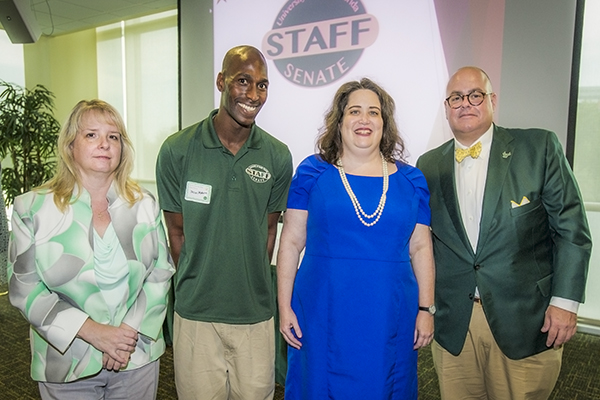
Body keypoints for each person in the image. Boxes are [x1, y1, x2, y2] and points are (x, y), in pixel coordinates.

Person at [416, 66, 592, 399]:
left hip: (526, 319)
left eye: (475, 95)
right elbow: (423, 242)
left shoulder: (537, 147)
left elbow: (571, 230)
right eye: (456, 97)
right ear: (446, 107)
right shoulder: (427, 165)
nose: (465, 103)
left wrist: (565, 303)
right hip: (455, 325)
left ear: (492, 100)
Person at [277, 78, 435, 399]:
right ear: (339, 121)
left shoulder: (411, 181)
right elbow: (291, 243)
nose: (364, 119)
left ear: (384, 123)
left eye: (373, 112)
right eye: (354, 111)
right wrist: (284, 306)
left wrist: (425, 310)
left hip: (390, 313)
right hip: (322, 309)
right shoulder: (312, 173)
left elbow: (420, 247)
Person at [7, 99, 175, 399]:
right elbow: (24, 288)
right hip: (67, 357)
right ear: (70, 145)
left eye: (113, 136)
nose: (105, 144)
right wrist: (95, 333)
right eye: (91, 135)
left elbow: (161, 272)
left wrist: (124, 335)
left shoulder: (144, 203)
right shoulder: (31, 208)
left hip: (135, 352)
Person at [156, 45, 293, 400]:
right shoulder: (177, 150)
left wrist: (243, 283)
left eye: (262, 85)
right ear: (221, 81)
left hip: (255, 314)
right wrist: (203, 283)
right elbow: (177, 233)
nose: (253, 94)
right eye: (243, 81)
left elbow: (268, 232)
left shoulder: (277, 156)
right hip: (196, 314)